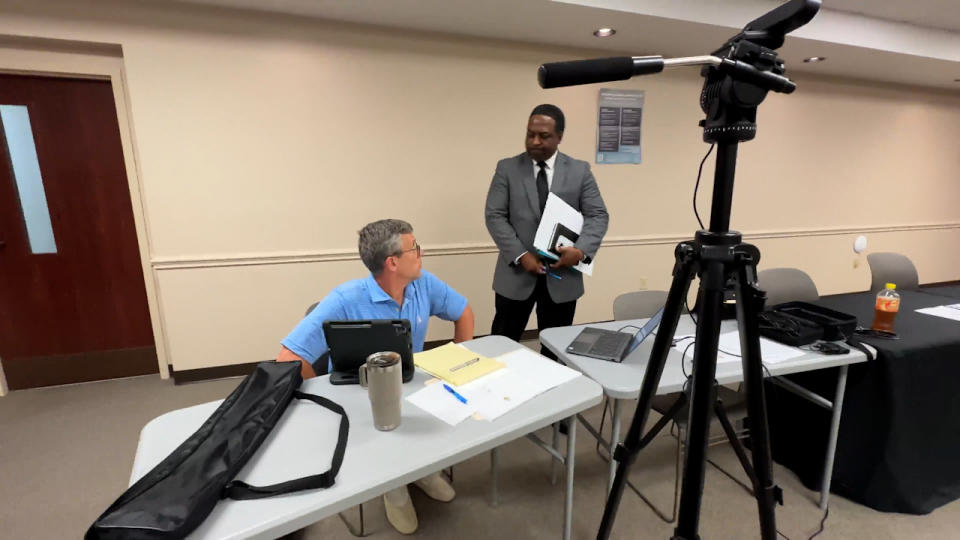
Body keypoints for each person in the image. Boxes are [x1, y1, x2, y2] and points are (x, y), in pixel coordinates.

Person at [277, 219, 475, 535]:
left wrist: (457, 366)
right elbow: (289, 356)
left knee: (433, 418)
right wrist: (322, 398)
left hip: (409, 384)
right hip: (361, 397)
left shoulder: (424, 284)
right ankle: (393, 489)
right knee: (386, 428)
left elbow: (464, 312)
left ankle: (419, 471)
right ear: (392, 262)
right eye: (415, 248)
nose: (421, 254)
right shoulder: (345, 299)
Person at [484, 104, 609, 357]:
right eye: (530, 134)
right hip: (516, 274)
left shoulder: (579, 170)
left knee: (556, 348)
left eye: (544, 136)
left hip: (562, 276)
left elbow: (598, 215)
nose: (535, 141)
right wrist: (521, 255)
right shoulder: (507, 168)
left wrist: (581, 250)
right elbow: (495, 215)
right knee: (501, 344)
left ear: (559, 137)